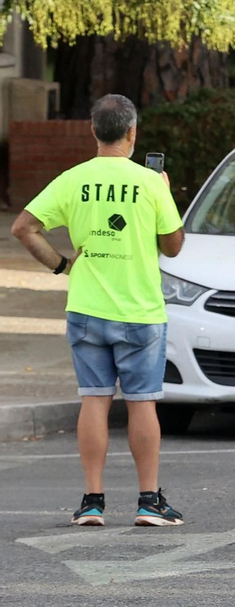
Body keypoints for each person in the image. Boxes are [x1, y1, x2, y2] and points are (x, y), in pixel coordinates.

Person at [9, 94, 186, 527]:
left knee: (94, 399)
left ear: (93, 131)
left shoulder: (74, 179)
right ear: (132, 132)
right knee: (143, 403)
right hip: (140, 310)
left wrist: (62, 265)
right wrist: (162, 191)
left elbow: (23, 227)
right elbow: (174, 246)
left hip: (87, 306)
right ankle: (149, 501)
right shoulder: (149, 182)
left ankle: (92, 500)